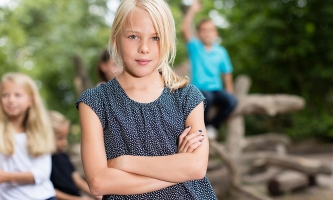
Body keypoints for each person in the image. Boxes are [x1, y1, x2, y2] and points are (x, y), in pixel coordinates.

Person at [76, 0, 217, 199]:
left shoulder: (187, 96)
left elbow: (196, 167)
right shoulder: (95, 102)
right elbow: (99, 183)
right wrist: (177, 167)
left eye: (155, 38)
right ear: (116, 39)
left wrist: (125, 162)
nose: (144, 48)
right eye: (133, 36)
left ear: (167, 41)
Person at [181, 0, 237, 139]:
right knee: (207, 99)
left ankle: (212, 125)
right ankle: (202, 127)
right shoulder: (195, 47)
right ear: (199, 34)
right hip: (200, 89)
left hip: (216, 89)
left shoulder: (221, 51)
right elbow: (184, 29)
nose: (207, 33)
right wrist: (192, 10)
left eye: (210, 30)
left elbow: (227, 72)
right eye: (204, 30)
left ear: (215, 33)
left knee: (232, 102)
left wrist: (229, 91)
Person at [0, 72, 56, 200]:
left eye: (18, 95)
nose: (11, 100)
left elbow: (42, 173)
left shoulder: (40, 131)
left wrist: (6, 177)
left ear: (30, 100)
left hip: (43, 196)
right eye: (5, 95)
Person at [49, 110, 101, 200]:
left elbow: (77, 181)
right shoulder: (43, 161)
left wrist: (99, 196)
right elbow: (49, 191)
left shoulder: (62, 156)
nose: (65, 142)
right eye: (60, 138)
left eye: (65, 137)